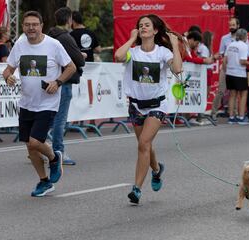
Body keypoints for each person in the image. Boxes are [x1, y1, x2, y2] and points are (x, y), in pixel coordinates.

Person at [2, 11, 77, 197]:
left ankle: (54, 157)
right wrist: (8, 77)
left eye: (34, 24)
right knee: (30, 147)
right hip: (27, 103)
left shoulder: (53, 45)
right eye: (27, 25)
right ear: (23, 27)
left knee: (36, 142)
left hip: (47, 103)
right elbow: (8, 69)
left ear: (41, 25)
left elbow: (71, 67)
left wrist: (57, 82)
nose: (31, 28)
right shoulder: (19, 45)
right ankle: (44, 182)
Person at [114, 14, 182, 204]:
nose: (143, 27)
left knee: (143, 144)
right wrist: (131, 38)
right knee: (146, 145)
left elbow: (177, 69)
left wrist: (175, 46)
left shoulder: (162, 52)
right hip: (136, 106)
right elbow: (118, 56)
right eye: (140, 25)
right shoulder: (133, 52)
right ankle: (157, 169)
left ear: (155, 30)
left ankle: (136, 189)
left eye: (147, 25)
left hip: (157, 105)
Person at [48, 7, 86, 166]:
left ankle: (41, 149)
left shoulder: (48, 36)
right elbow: (79, 60)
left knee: (47, 118)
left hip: (50, 81)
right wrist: (81, 55)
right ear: (70, 20)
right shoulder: (65, 38)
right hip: (64, 82)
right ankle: (59, 152)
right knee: (59, 120)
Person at [71, 11, 101, 131]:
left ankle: (75, 121)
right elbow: (98, 49)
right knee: (90, 93)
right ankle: (92, 121)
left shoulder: (71, 35)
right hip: (91, 68)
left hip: (77, 67)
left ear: (72, 21)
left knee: (77, 93)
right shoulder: (91, 33)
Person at [211, 17, 242, 121]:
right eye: (230, 25)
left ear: (238, 26)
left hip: (237, 69)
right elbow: (221, 53)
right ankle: (213, 112)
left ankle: (234, 113)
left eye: (233, 25)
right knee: (221, 91)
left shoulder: (242, 39)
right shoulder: (225, 38)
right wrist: (217, 56)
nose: (231, 27)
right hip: (225, 67)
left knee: (235, 92)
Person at [223, 29, 249, 124]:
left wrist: (226, 71)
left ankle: (231, 117)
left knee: (232, 94)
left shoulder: (230, 45)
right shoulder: (244, 46)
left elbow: (225, 60)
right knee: (243, 94)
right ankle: (241, 117)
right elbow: (242, 61)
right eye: (247, 36)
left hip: (230, 73)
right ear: (244, 37)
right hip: (240, 73)